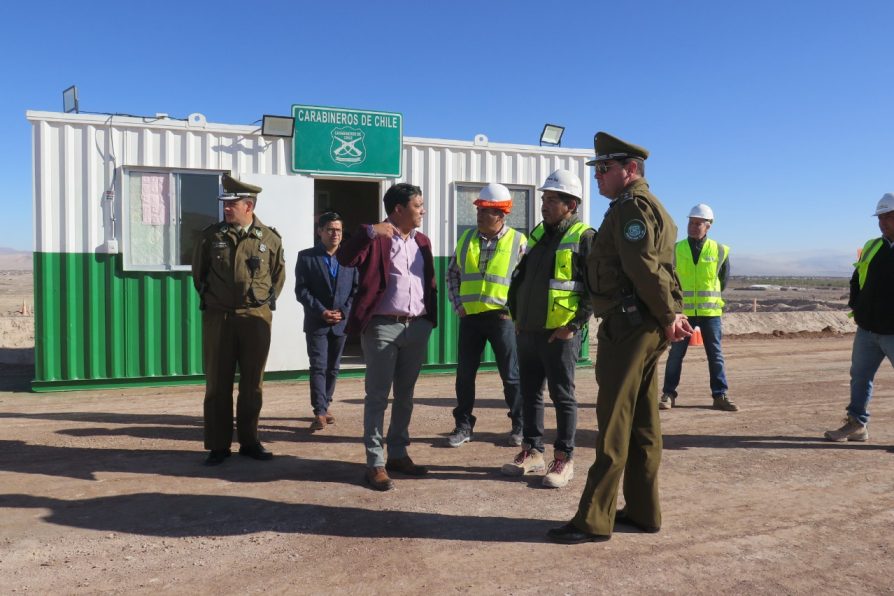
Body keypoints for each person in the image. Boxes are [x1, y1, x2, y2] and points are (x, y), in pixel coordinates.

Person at [548, 132, 691, 544]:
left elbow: (644, 267)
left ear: (630, 170)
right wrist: (668, 315)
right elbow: (662, 269)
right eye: (596, 170)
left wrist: (668, 316)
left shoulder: (630, 208)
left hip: (630, 326)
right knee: (644, 422)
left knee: (613, 422)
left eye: (605, 169)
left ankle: (594, 519)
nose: (598, 177)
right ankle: (644, 511)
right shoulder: (649, 206)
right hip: (643, 322)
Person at [336, 183, 437, 491]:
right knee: (378, 397)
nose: (422, 210)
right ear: (398, 209)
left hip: (416, 326)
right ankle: (375, 462)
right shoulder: (376, 237)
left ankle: (398, 454)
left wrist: (429, 320)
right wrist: (368, 231)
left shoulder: (422, 241)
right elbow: (345, 258)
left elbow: (428, 281)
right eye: (418, 205)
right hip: (382, 326)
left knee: (405, 396)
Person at [502, 169, 594, 489]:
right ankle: (532, 451)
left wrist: (573, 325)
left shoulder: (584, 236)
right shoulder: (538, 234)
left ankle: (564, 458)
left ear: (571, 204)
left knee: (562, 396)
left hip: (559, 333)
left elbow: (594, 290)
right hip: (528, 329)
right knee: (529, 394)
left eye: (552, 199)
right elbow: (519, 278)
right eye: (544, 199)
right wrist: (516, 315)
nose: (544, 204)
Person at [192, 173, 286, 466]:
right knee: (217, 384)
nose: (226, 208)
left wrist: (258, 305)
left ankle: (250, 441)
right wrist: (217, 302)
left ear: (249, 205)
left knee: (252, 384)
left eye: (232, 204)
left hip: (255, 318)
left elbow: (278, 278)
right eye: (225, 203)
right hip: (219, 318)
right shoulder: (211, 236)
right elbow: (199, 275)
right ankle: (218, 446)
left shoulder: (269, 238)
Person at [446, 183, 527, 448]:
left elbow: (525, 283)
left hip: (502, 318)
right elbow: (453, 274)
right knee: (465, 375)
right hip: (470, 318)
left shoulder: (518, 241)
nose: (479, 215)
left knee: (511, 375)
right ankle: (464, 425)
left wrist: (514, 314)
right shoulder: (467, 238)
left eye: (486, 211)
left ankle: (519, 425)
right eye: (479, 210)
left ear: (501, 214)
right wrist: (459, 305)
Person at [824, 193, 894, 442]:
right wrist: (858, 308)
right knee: (860, 377)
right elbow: (857, 279)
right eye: (880, 217)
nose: (883, 222)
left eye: (889, 216)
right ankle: (856, 424)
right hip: (868, 329)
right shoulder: (873, 246)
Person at [659, 203, 738, 412]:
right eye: (691, 222)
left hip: (710, 311)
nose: (693, 227)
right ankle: (668, 394)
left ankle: (720, 395)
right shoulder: (676, 249)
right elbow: (668, 279)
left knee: (715, 354)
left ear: (708, 226)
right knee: (675, 354)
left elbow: (723, 281)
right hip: (682, 312)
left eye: (698, 223)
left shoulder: (720, 250)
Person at [295, 212, 358, 431]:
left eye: (338, 230)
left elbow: (356, 290)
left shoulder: (350, 257)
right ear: (319, 231)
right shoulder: (306, 257)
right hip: (317, 322)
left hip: (341, 322)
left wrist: (343, 311)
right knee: (319, 366)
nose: (335, 234)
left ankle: (326, 403)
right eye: (330, 229)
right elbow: (301, 290)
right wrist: (321, 312)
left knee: (333, 368)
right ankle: (319, 411)